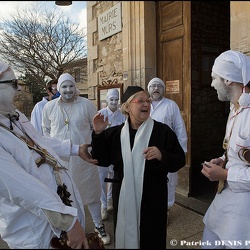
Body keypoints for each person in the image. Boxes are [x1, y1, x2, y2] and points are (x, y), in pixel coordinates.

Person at [0, 61, 98, 249]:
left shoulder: (14, 115)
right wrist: (67, 222)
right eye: (13, 84)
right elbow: (21, 188)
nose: (19, 89)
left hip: (59, 217)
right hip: (35, 232)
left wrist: (75, 149)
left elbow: (40, 142)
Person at [91, 85, 186, 249]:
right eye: (140, 101)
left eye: (148, 100)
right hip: (123, 196)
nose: (146, 104)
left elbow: (180, 160)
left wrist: (162, 155)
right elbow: (102, 160)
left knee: (151, 239)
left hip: (152, 199)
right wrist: (98, 135)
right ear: (127, 107)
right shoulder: (114, 134)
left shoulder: (162, 132)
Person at [42, 73, 111, 245]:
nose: (68, 90)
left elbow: (96, 128)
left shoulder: (86, 105)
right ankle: (72, 230)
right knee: (66, 196)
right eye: (64, 87)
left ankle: (98, 225)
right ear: (58, 89)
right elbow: (45, 132)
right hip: (62, 161)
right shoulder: (49, 108)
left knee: (92, 194)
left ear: (75, 87)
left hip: (84, 159)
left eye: (70, 86)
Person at [201, 50, 250, 249]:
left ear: (228, 80)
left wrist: (226, 174)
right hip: (224, 201)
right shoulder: (235, 110)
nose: (212, 84)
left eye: (214, 78)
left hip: (243, 212)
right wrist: (223, 159)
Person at [147, 77, 188, 216]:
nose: (156, 88)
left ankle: (166, 209)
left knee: (169, 182)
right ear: (149, 89)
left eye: (159, 86)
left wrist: (181, 152)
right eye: (153, 86)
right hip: (147, 152)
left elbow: (180, 129)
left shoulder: (171, 105)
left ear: (163, 89)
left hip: (167, 151)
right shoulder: (145, 105)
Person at [97, 88, 126, 220]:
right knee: (102, 178)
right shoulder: (101, 114)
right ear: (107, 100)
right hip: (104, 152)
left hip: (117, 153)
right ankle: (103, 204)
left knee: (113, 176)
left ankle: (109, 199)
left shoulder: (123, 115)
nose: (114, 102)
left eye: (116, 99)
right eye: (111, 99)